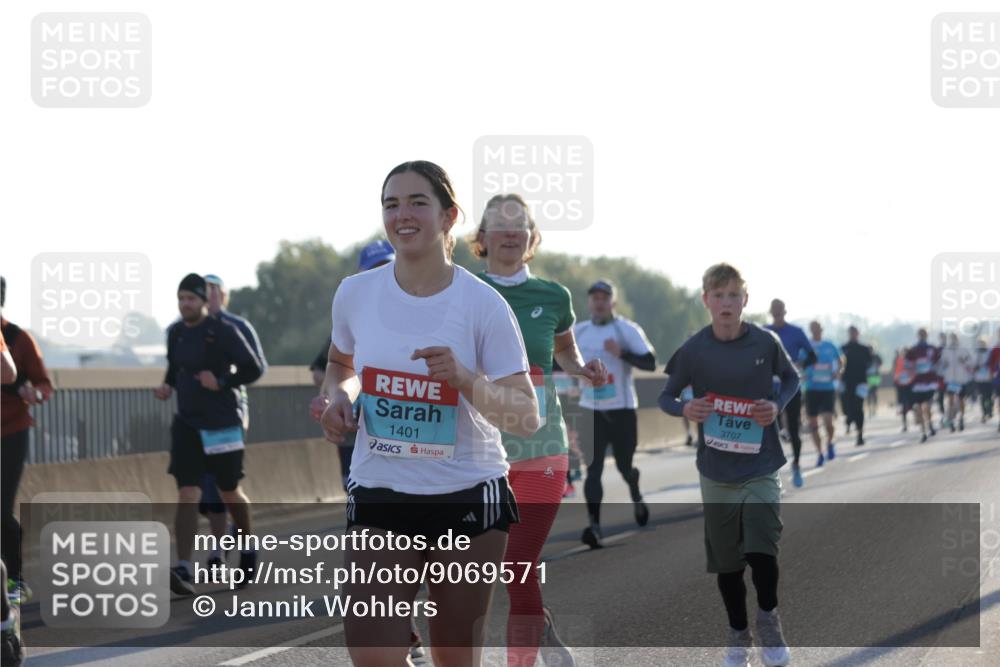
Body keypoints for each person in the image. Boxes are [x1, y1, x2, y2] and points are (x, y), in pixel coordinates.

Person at [319, 161, 539, 667]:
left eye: (418, 202)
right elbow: (340, 364)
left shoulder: (483, 305)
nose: (403, 214)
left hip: (466, 492)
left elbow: (526, 415)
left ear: (449, 217)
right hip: (381, 489)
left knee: (454, 659)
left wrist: (465, 380)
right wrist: (339, 397)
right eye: (391, 204)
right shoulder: (355, 293)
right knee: (373, 655)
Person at [472, 193, 606, 667]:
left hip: (542, 446)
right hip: (476, 454)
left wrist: (582, 368)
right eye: (499, 224)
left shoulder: (553, 295)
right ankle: (540, 625)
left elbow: (564, 352)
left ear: (531, 237)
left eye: (520, 224)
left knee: (518, 564)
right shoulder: (462, 290)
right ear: (481, 237)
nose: (510, 232)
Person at [659, 263, 796, 667]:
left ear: (745, 300)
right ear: (706, 300)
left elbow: (791, 379)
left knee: (762, 552)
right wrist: (686, 408)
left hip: (761, 464)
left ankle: (769, 621)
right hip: (716, 471)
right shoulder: (694, 349)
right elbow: (666, 396)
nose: (726, 303)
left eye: (733, 295)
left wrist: (776, 405)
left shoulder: (765, 343)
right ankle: (738, 634)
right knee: (728, 563)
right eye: (718, 296)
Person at [154, 273, 264, 596]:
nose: (185, 304)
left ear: (204, 301)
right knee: (188, 492)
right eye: (181, 298)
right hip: (187, 422)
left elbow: (254, 368)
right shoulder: (175, 332)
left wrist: (222, 380)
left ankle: (247, 547)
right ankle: (183, 566)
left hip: (221, 422)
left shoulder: (222, 331)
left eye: (191, 298)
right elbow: (175, 368)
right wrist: (167, 385)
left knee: (229, 490)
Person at [573, 280, 656, 548]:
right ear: (589, 302)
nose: (599, 302)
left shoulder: (626, 330)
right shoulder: (579, 331)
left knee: (623, 466)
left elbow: (650, 362)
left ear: (613, 303)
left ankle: (635, 488)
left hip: (622, 410)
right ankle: (594, 526)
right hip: (591, 410)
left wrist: (622, 353)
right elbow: (558, 361)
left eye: (604, 298)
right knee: (593, 469)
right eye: (594, 297)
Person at [309, 240, 396, 492]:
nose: (378, 276)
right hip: (354, 424)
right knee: (355, 490)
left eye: (385, 267)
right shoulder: (351, 317)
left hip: (406, 431)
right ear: (360, 274)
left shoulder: (420, 311)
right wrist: (331, 396)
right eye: (371, 270)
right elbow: (327, 367)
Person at [198, 273, 268, 570]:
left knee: (223, 485)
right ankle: (223, 544)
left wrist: (223, 382)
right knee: (205, 488)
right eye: (204, 291)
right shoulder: (186, 329)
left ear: (224, 297)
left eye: (215, 291)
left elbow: (257, 367)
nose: (209, 295)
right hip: (196, 418)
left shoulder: (237, 326)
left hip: (230, 414)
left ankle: (230, 549)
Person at [2, 276, 54, 604]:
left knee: (1, 507)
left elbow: (44, 384)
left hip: (11, 430)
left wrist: (35, 392)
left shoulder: (18, 338)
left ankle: (15, 580)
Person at [765, 300, 816, 488]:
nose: (777, 313)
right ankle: (772, 472)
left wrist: (799, 366)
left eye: (780, 310)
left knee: (794, 427)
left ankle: (796, 464)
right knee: (770, 429)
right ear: (771, 312)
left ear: (784, 312)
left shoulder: (796, 332)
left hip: (791, 385)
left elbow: (812, 356)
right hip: (769, 388)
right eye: (774, 310)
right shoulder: (764, 332)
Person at [804, 321, 839, 463]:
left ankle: (830, 442)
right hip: (811, 389)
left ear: (821, 329)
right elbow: (799, 363)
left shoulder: (829, 345)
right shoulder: (806, 347)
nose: (815, 331)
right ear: (810, 330)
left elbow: (841, 359)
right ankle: (819, 453)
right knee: (813, 423)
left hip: (827, 389)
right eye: (813, 328)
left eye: (817, 328)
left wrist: (838, 371)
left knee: (828, 422)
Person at [904, 329, 940, 443]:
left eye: (924, 334)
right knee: (918, 407)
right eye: (920, 334)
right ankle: (923, 431)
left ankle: (930, 423)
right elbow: (907, 364)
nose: (922, 336)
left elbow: (939, 362)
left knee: (927, 406)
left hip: (929, 383)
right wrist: (912, 369)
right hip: (917, 383)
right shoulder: (913, 350)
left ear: (927, 335)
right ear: (918, 336)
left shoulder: (932, 349)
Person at [840, 326, 873, 446]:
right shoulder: (843, 348)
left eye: (855, 332)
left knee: (858, 407)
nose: (853, 334)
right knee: (848, 407)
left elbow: (870, 363)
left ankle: (860, 434)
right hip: (847, 382)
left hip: (861, 382)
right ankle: (849, 419)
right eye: (851, 333)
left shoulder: (864, 349)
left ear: (858, 333)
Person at [939, 333, 974, 432]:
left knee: (961, 400)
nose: (953, 340)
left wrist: (964, 361)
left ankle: (961, 418)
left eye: (955, 338)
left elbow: (971, 363)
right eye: (952, 338)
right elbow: (942, 363)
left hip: (961, 379)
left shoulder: (963, 350)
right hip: (950, 380)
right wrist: (944, 365)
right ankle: (951, 421)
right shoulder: (946, 351)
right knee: (950, 400)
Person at [972, 337, 994, 423]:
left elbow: (992, 363)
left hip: (988, 377)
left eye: (983, 343)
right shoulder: (976, 353)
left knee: (988, 396)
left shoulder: (990, 352)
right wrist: (975, 368)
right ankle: (984, 413)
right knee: (982, 396)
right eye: (980, 343)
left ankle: (990, 409)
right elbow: (973, 364)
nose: (981, 345)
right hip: (979, 378)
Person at [893, 348, 913, 432]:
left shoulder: (911, 361)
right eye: (902, 352)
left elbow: (913, 371)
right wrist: (896, 381)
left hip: (910, 385)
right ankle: (904, 424)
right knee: (904, 405)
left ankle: (918, 418)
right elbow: (896, 372)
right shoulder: (898, 360)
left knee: (912, 404)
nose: (904, 354)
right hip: (901, 386)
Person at [866, 346, 882, 418]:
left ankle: (875, 408)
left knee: (874, 393)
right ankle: (869, 409)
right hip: (868, 377)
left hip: (875, 377)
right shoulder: (865, 356)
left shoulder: (876, 356)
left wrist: (877, 365)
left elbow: (880, 363)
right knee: (869, 393)